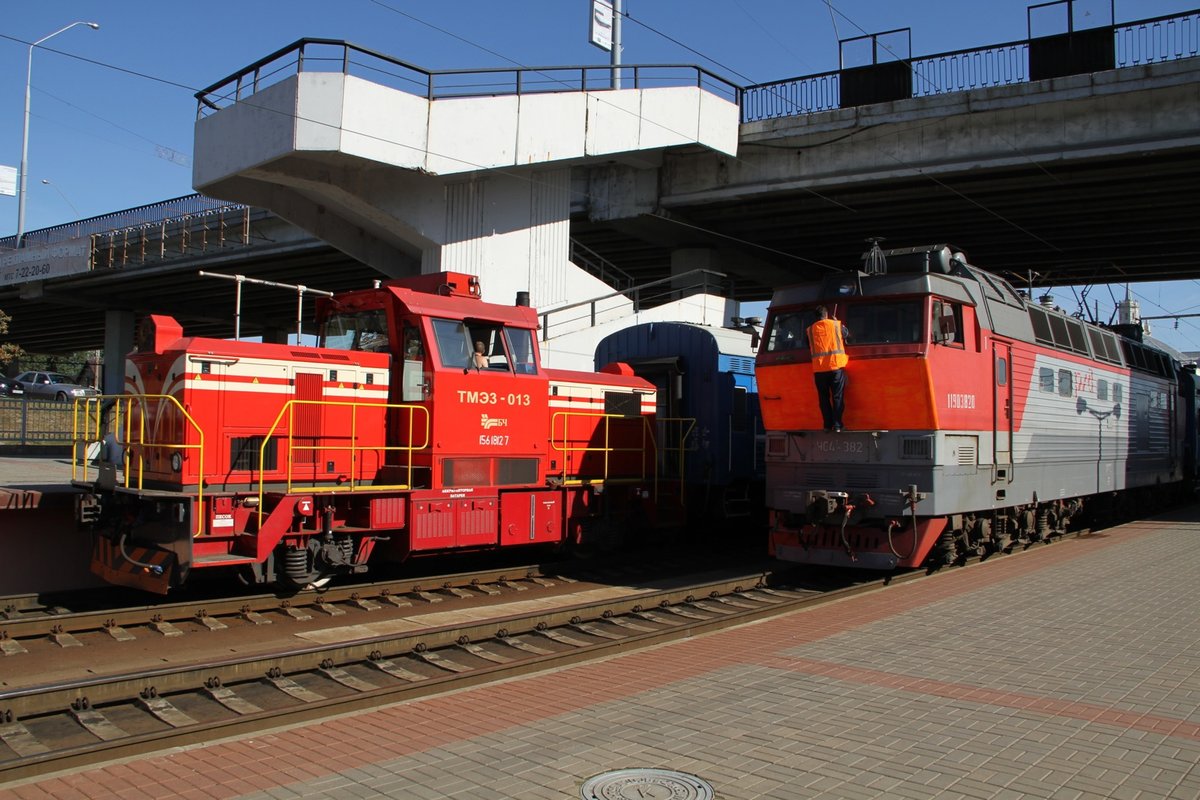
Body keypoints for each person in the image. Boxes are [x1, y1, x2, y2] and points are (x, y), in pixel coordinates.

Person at [807, 305, 849, 432]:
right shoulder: (836, 325)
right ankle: (838, 425)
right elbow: (846, 334)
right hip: (835, 366)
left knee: (823, 399)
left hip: (819, 369)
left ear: (816, 317)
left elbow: (808, 344)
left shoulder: (810, 330)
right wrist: (837, 322)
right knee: (837, 397)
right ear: (826, 314)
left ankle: (827, 426)